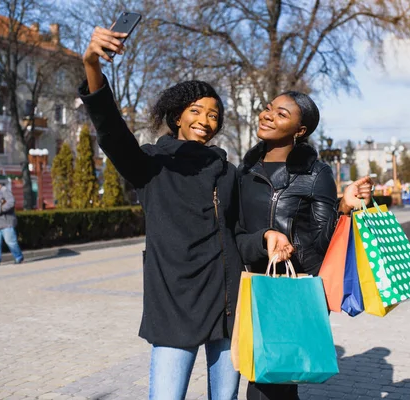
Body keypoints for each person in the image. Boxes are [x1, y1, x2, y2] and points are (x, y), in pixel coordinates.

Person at [79, 27, 292, 400]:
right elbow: (111, 131)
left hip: (227, 304)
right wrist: (92, 65)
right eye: (196, 111)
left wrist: (265, 238)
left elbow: (238, 234)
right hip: (175, 305)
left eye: (213, 115)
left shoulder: (228, 172)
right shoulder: (151, 163)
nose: (205, 120)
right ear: (177, 116)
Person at [237, 91, 372, 400]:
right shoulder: (244, 171)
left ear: (300, 131)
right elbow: (237, 230)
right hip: (252, 282)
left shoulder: (316, 173)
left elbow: (324, 241)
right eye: (270, 108)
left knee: (267, 386)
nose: (268, 115)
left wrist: (344, 207)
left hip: (292, 287)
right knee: (272, 381)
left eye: (282, 114)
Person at [0, 178, 24, 266]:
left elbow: (11, 202)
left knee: (11, 242)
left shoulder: (4, 190)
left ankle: (19, 257)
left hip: (6, 222)